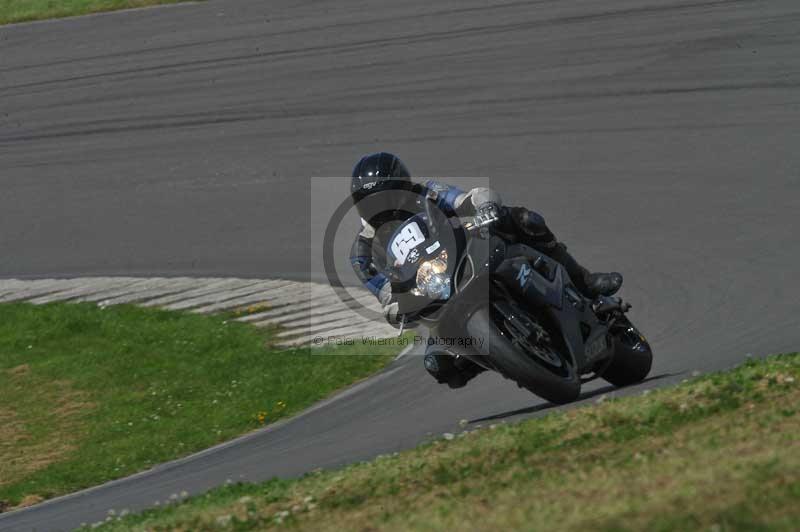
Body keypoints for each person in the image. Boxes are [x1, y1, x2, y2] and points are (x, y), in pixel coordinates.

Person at [349, 152, 622, 388]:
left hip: (465, 258)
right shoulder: (362, 251)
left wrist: (485, 206)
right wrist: (394, 306)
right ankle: (506, 359)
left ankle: (584, 281)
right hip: (433, 296)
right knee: (439, 365)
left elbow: (467, 198)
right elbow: (382, 291)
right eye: (373, 200)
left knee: (525, 220)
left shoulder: (427, 193)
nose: (384, 205)